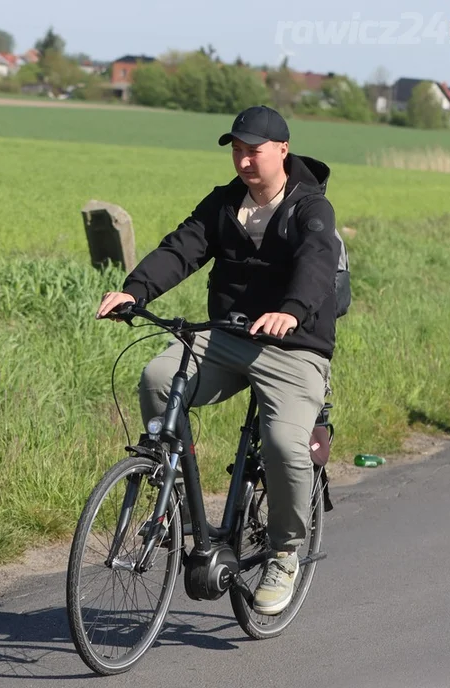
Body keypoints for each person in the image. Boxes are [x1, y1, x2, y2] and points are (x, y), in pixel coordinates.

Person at [95, 105, 340, 616]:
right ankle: (171, 488)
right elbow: (181, 248)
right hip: (228, 336)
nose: (245, 160)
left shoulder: (310, 207)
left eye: (254, 150)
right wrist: (134, 292)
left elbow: (317, 265)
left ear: (282, 150)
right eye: (237, 149)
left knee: (282, 443)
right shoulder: (224, 202)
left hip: (295, 347)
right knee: (160, 377)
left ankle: (284, 553)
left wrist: (290, 312)